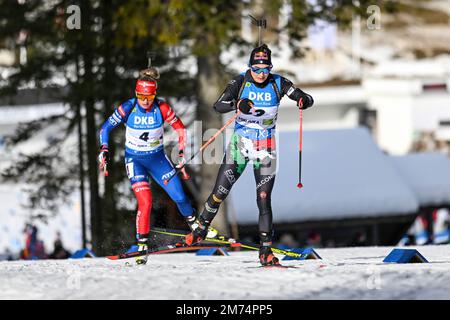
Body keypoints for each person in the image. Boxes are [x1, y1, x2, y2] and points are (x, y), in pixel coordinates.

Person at [186, 44, 314, 266]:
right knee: (219, 193)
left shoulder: (278, 83)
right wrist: (239, 103)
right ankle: (201, 228)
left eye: (265, 69)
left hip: (265, 149)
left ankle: (265, 250)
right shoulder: (240, 81)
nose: (261, 74)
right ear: (250, 66)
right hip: (240, 147)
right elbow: (218, 106)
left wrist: (305, 100)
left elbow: (302, 95)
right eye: (257, 69)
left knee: (264, 200)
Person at [98, 67, 197, 265]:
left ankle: (197, 227)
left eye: (149, 96)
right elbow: (106, 127)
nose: (145, 101)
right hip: (135, 161)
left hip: (158, 160)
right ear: (136, 94)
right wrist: (104, 149)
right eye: (141, 96)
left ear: (154, 94)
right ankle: (142, 245)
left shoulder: (162, 108)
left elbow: (180, 129)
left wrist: (180, 153)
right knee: (146, 201)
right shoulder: (129, 107)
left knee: (179, 196)